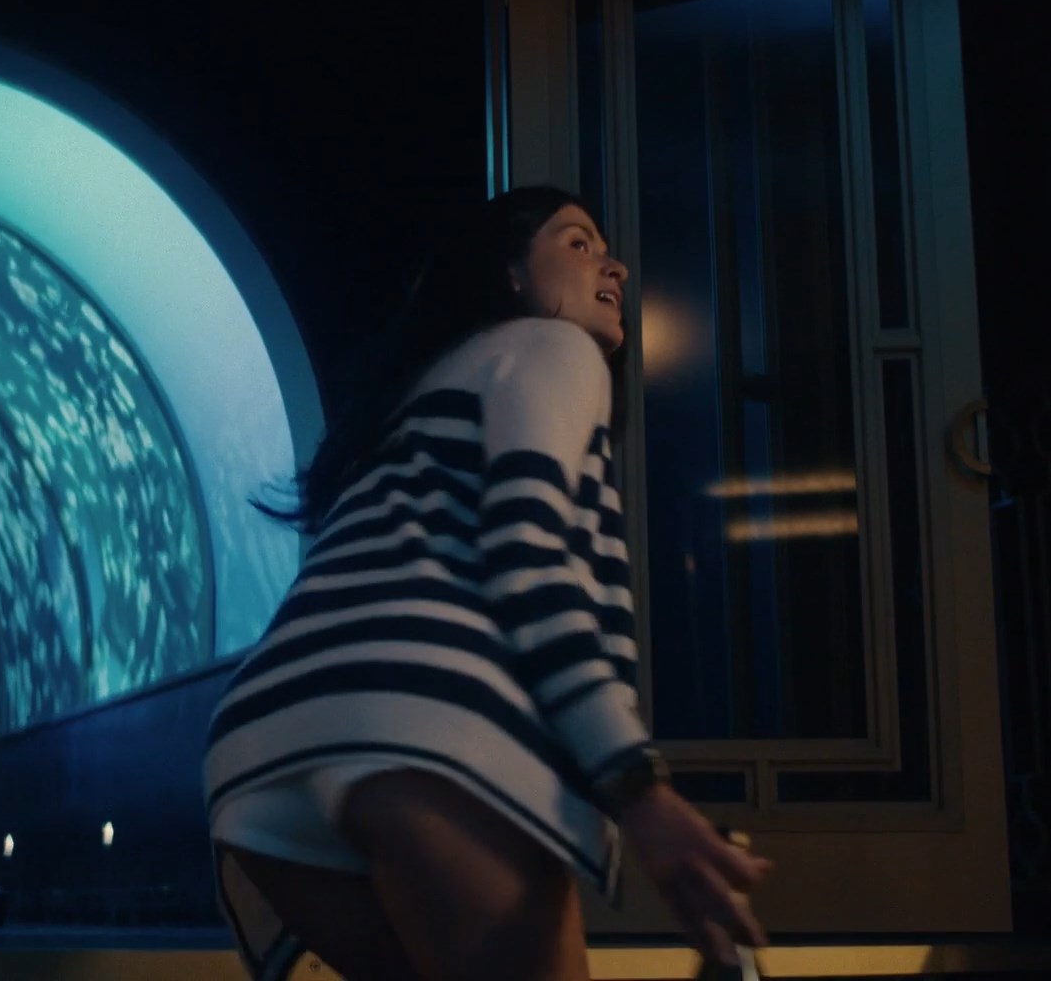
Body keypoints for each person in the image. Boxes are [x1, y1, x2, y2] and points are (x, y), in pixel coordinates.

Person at [203, 186, 770, 981]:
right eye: (577, 243)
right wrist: (638, 790)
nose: (614, 266)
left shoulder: (412, 401)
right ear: (511, 274)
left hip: (261, 749)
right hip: (424, 728)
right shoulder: (553, 347)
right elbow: (528, 555)